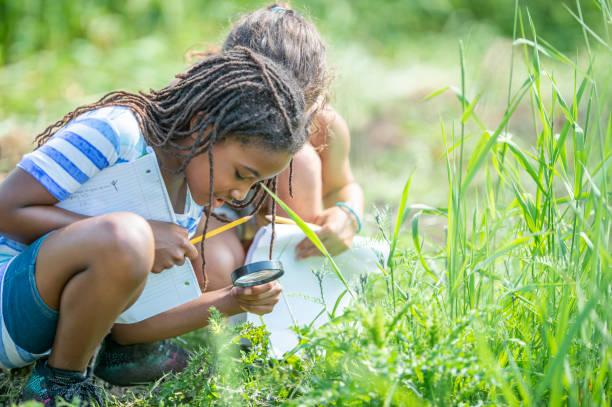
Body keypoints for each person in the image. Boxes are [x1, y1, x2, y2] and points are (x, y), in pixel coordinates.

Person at [0, 47, 307, 406]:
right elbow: (6, 208)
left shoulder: (190, 199)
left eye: (254, 185)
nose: (241, 193)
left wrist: (232, 300)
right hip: (9, 297)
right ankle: (58, 388)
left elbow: (130, 328)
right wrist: (139, 235)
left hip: (35, 336)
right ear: (201, 127)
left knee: (129, 239)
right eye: (241, 174)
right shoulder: (117, 132)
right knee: (127, 237)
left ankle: (65, 374)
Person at [201, 3, 365, 292]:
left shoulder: (324, 126)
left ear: (314, 101)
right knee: (216, 267)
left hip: (285, 227)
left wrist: (349, 216)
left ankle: (294, 283)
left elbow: (343, 185)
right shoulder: (203, 112)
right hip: (215, 217)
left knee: (300, 162)